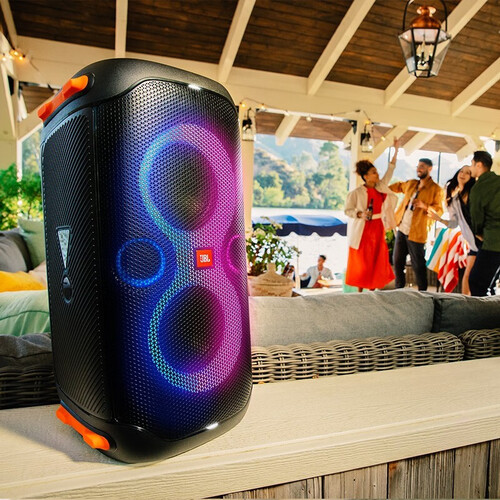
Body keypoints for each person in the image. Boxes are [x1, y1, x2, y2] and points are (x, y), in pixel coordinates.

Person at [344, 139, 399, 292]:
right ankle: (360, 291)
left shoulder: (381, 187)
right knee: (363, 259)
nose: (377, 174)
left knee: (377, 258)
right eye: (373, 172)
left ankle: (372, 290)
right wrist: (360, 214)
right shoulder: (356, 193)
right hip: (363, 229)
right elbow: (347, 210)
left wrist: (396, 151)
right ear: (366, 176)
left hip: (378, 227)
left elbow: (390, 170)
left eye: (376, 171)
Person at [390, 158, 444, 291]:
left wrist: (424, 206)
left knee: (418, 265)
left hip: (418, 232)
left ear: (430, 169)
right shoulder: (411, 184)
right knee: (397, 261)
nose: (419, 169)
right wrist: (380, 187)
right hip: (402, 228)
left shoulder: (436, 189)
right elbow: (397, 187)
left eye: (422, 166)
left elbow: (439, 211)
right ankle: (398, 291)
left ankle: (423, 293)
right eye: (418, 166)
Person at [427, 165, 477, 294]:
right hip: (473, 244)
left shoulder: (475, 194)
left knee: (474, 277)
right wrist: (439, 219)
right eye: (461, 171)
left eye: (467, 173)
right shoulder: (455, 201)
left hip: (482, 240)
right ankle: (467, 303)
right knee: (468, 276)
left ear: (471, 177)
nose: (463, 174)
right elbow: (454, 223)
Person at [468, 150, 500, 296]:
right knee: (491, 283)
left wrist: (478, 233)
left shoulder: (479, 188)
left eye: (472, 164)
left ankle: (482, 311)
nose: (471, 168)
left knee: (476, 282)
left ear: (479, 165)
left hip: (493, 241)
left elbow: (476, 218)